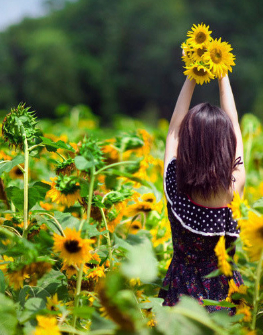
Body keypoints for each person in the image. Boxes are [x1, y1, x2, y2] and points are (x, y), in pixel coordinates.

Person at [158, 74, 245, 312]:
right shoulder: (233, 186)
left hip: (182, 294)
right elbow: (235, 126)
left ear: (188, 143)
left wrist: (191, 76)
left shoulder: (175, 182)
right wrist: (223, 75)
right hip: (226, 292)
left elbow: (173, 131)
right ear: (225, 144)